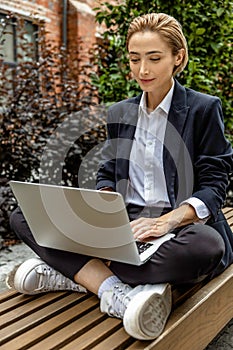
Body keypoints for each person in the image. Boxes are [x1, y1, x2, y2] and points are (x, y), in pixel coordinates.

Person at [9, 13, 233, 340]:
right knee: (24, 214)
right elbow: (108, 172)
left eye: (154, 58)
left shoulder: (203, 109)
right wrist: (103, 198)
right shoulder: (120, 112)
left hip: (180, 226)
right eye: (134, 59)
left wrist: (168, 221)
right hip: (124, 222)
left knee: (206, 248)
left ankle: (75, 274)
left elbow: (216, 183)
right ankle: (113, 290)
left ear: (178, 57)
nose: (142, 70)